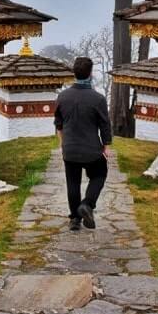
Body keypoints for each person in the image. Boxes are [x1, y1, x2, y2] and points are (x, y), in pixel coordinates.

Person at [54, 57, 112, 231]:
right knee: (100, 174)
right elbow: (104, 125)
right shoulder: (98, 99)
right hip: (91, 150)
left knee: (73, 182)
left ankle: (74, 220)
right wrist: (106, 146)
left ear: (74, 73)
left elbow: (59, 124)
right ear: (90, 73)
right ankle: (87, 204)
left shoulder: (62, 97)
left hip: (69, 149)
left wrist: (63, 144)